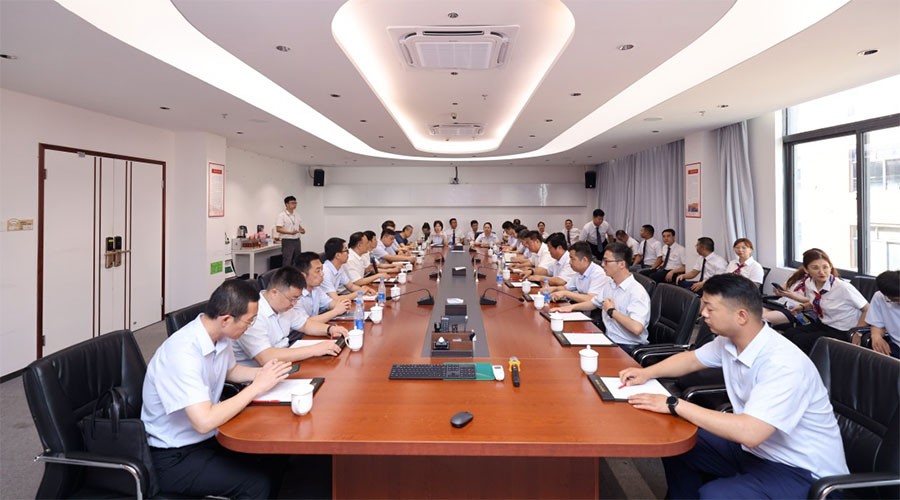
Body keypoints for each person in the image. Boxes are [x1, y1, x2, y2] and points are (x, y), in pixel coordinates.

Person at [620, 274, 848, 499]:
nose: (703, 313)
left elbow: (750, 433)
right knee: (677, 442)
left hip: (803, 471)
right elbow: (691, 360)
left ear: (741, 316)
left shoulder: (782, 363)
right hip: (757, 452)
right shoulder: (729, 341)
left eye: (710, 308)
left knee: (715, 495)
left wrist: (674, 404)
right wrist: (646, 373)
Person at [142, 279, 292, 498]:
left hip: (207, 439)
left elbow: (231, 370)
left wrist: (266, 374)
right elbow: (203, 421)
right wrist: (256, 387)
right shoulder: (182, 353)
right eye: (249, 321)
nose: (249, 327)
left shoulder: (219, 336)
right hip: (174, 456)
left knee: (273, 455)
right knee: (255, 484)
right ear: (226, 319)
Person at [232, 267, 347, 367]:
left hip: (283, 364)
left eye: (297, 299)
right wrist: (315, 349)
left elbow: (305, 324)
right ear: (274, 293)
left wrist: (329, 329)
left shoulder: (284, 307)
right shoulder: (253, 314)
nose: (294, 304)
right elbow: (265, 357)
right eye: (292, 299)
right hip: (258, 374)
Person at [554, 242, 650, 352]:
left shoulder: (637, 292)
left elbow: (637, 328)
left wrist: (611, 311)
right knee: (566, 343)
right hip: (608, 338)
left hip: (627, 346)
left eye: (606, 261)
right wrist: (570, 308)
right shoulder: (610, 284)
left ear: (621, 264)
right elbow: (594, 302)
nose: (603, 265)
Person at [782, 248, 869, 354]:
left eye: (825, 267)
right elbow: (818, 301)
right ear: (806, 270)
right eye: (815, 268)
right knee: (789, 333)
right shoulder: (809, 283)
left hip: (844, 330)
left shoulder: (843, 287)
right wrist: (802, 307)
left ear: (830, 267)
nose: (822, 272)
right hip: (825, 324)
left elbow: (867, 309)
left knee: (801, 340)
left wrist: (858, 332)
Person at [293, 251, 352, 323]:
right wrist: (336, 311)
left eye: (322, 269)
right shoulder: (295, 296)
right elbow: (306, 323)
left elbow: (330, 303)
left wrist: (343, 305)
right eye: (318, 271)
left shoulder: (316, 289)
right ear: (303, 275)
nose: (322, 274)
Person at [860, 270, 900, 358]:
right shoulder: (879, 297)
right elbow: (877, 324)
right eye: (896, 300)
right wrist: (876, 336)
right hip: (896, 347)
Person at [275, 195, 304, 268]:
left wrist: (302, 230)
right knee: (287, 260)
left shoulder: (297, 214)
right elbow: (278, 229)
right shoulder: (281, 215)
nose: (295, 205)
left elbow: (298, 225)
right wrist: (290, 233)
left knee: (297, 259)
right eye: (292, 203)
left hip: (297, 240)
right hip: (287, 240)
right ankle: (286, 274)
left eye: (295, 203)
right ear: (287, 204)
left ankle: (296, 273)